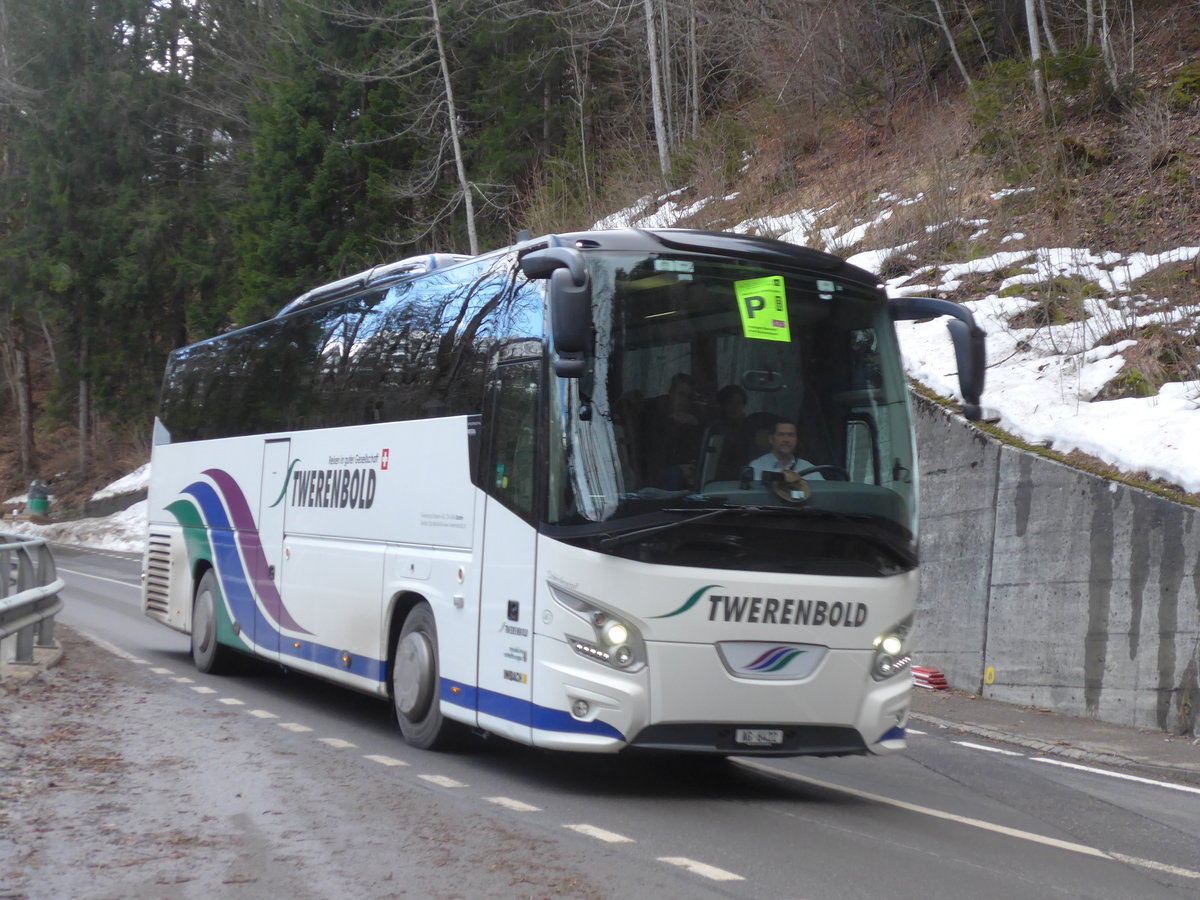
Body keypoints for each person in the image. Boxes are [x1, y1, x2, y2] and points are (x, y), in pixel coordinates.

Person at [748, 419, 823, 481]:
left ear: (796, 440)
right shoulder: (757, 467)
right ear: (771, 439)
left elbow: (824, 495)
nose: (786, 440)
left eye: (791, 435)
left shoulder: (808, 468)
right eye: (781, 435)